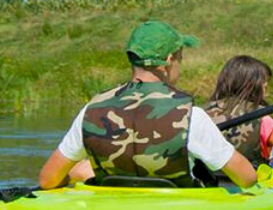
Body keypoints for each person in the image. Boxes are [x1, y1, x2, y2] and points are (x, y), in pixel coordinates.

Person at [37, 21, 257, 190]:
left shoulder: (91, 111)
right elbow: (247, 178)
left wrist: (82, 173)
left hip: (110, 209)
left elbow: (47, 180)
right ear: (169, 60)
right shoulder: (191, 116)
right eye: (181, 58)